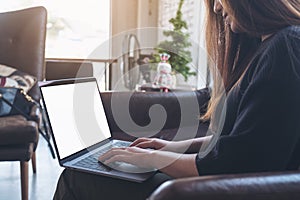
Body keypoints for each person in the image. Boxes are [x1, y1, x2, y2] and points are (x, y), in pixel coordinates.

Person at [53, 0, 300, 199]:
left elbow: (242, 161)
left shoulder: (285, 47)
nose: (216, 7)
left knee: (75, 178)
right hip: (221, 182)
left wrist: (155, 159)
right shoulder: (270, 46)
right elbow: (248, 139)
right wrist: (173, 147)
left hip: (225, 188)